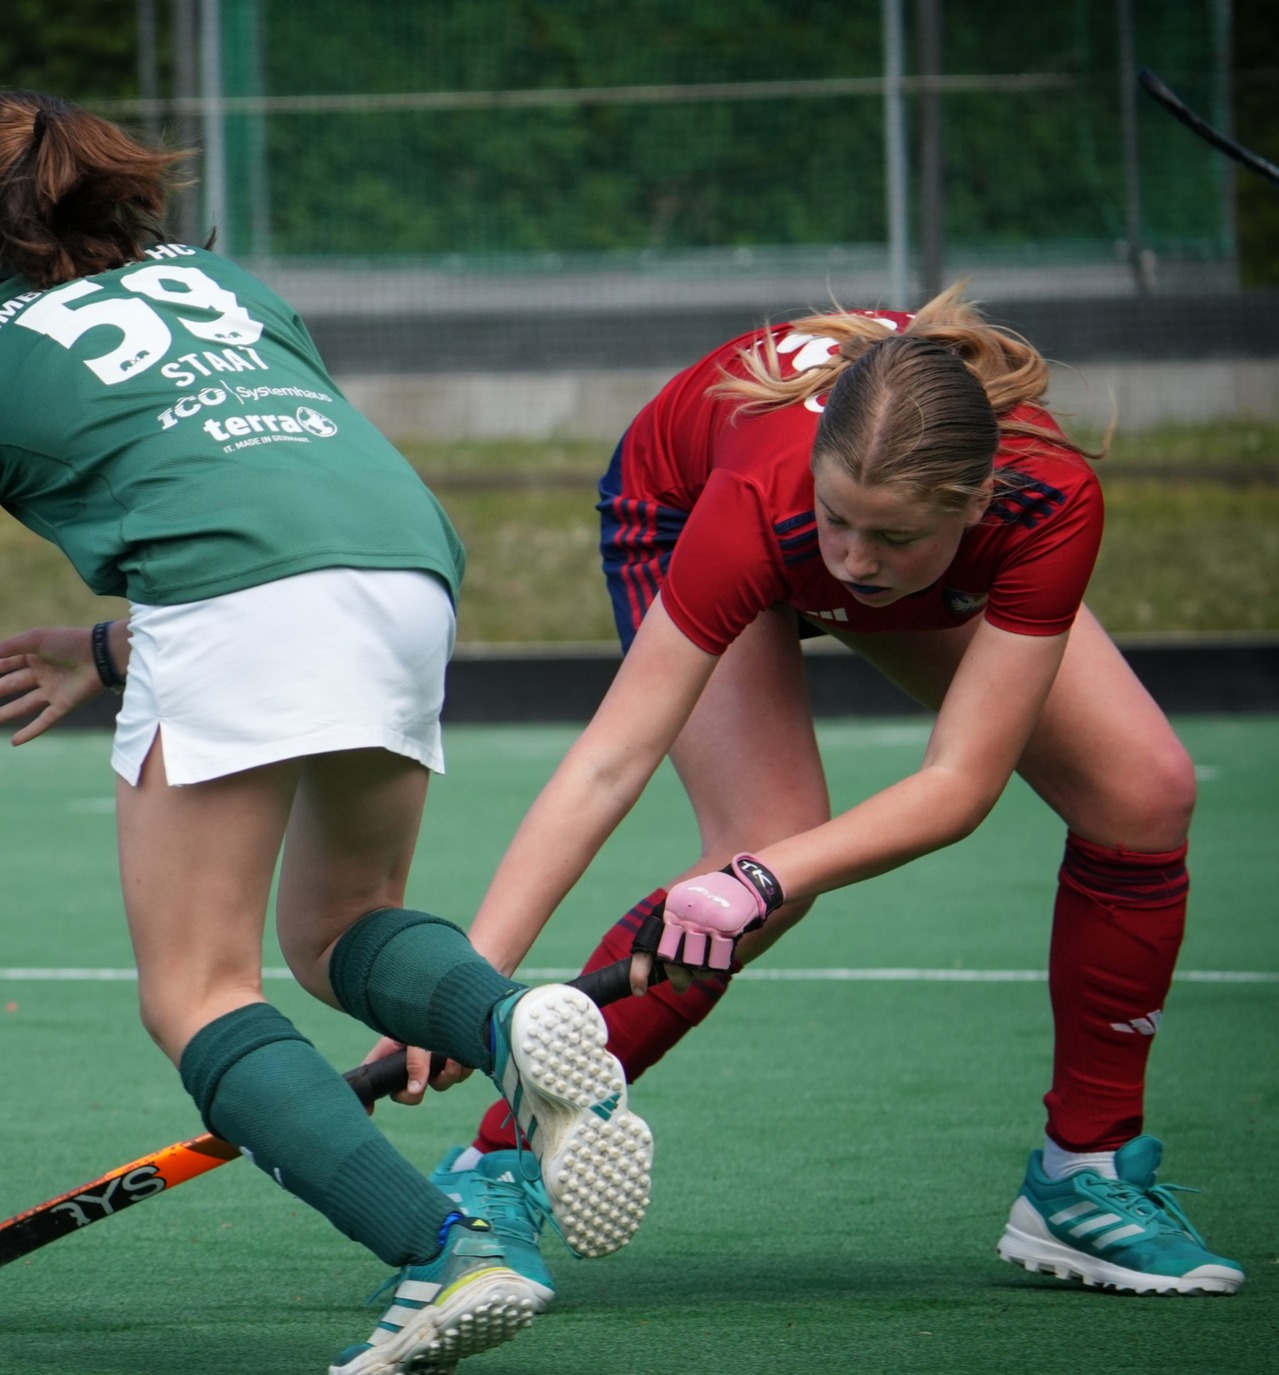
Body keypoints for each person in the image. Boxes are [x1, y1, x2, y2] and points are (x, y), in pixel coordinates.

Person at [0, 88, 653, 1375]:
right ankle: (509, 1019)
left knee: (197, 992)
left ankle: (446, 1251)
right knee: (340, 930)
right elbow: (276, 503)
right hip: (405, 568)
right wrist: (108, 650)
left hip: (230, 603)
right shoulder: (222, 283)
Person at [377, 288, 1243, 1300]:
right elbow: (609, 761)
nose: (854, 562)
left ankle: (1081, 1174)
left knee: (1142, 793)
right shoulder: (764, 497)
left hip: (897, 528)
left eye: (889, 538)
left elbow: (958, 783)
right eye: (840, 523)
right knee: (764, 832)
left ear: (977, 503)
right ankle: (496, 1167)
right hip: (685, 501)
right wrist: (465, 990)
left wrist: (755, 881)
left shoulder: (1044, 499)